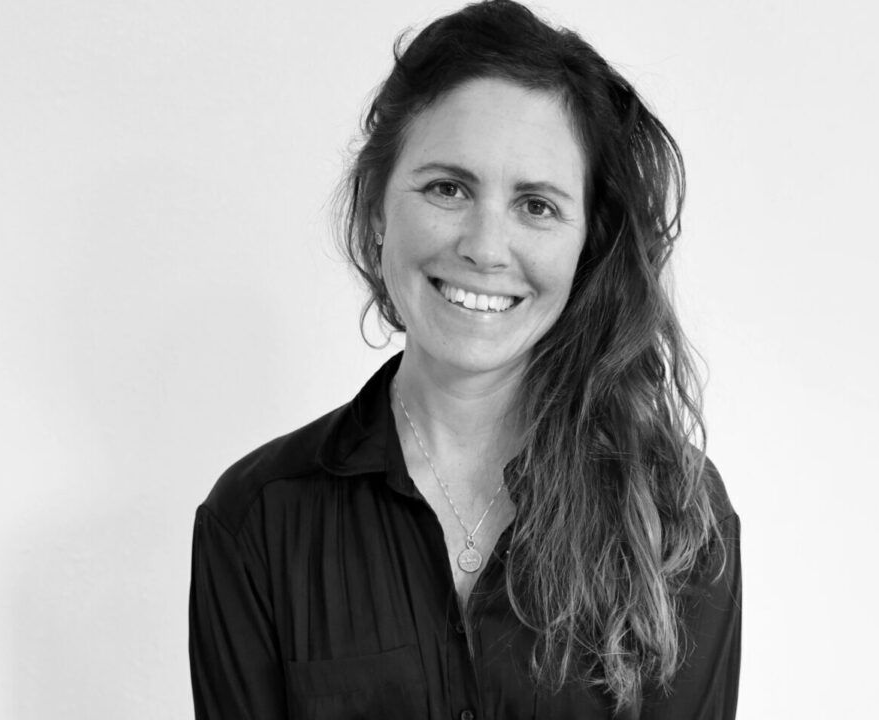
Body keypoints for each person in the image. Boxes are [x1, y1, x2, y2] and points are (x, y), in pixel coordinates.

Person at [187, 1, 741, 717]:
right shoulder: (255, 523)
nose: (485, 246)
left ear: (587, 242)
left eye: (536, 205)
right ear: (379, 209)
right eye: (448, 188)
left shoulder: (676, 517)